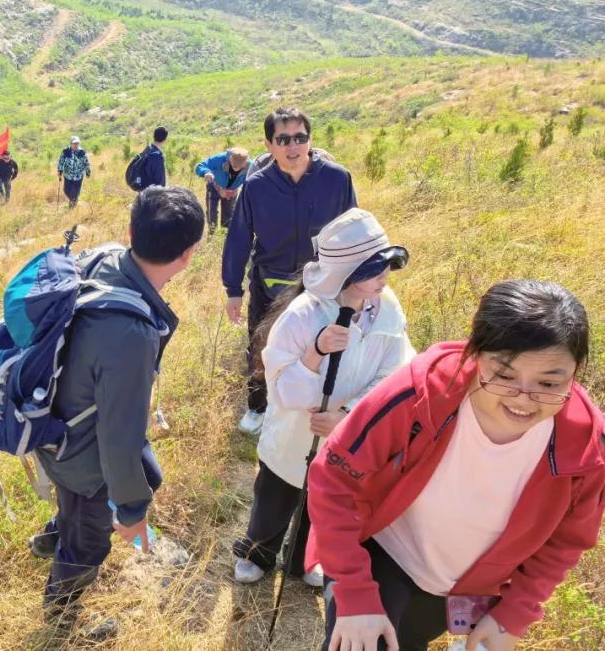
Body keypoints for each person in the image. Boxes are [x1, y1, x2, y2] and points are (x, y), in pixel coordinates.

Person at [309, 279, 605, 651]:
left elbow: (566, 542)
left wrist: (514, 613)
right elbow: (333, 477)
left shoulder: (587, 448)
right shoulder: (420, 394)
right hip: (378, 552)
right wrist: (354, 593)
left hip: (459, 588)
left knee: (410, 641)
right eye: (504, 375)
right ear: (474, 352)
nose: (524, 400)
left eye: (548, 384)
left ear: (575, 373)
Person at [34, 186, 205, 640]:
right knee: (88, 543)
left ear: (131, 231)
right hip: (80, 456)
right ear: (188, 255)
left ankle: (56, 534)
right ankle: (60, 618)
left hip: (57, 420)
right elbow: (119, 440)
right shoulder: (130, 334)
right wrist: (130, 513)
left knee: (148, 476)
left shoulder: (105, 258)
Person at [231, 208, 414, 590]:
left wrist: (347, 415)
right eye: (374, 268)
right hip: (293, 435)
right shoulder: (303, 315)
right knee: (275, 498)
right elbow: (283, 390)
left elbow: (394, 373)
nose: (384, 275)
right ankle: (257, 553)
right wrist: (316, 351)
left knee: (320, 502)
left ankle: (301, 560)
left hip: (346, 436)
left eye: (387, 265)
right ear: (344, 273)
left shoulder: (388, 308)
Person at [222, 107, 356, 436]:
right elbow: (239, 238)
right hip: (270, 285)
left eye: (300, 137)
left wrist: (358, 285)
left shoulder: (337, 179)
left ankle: (312, 406)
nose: (293, 146)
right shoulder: (256, 187)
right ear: (269, 145)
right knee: (263, 347)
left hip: (324, 285)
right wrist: (233, 290)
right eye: (283, 139)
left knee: (321, 345)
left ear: (310, 139)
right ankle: (258, 406)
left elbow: (354, 232)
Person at [195, 146, 250, 231]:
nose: (236, 170)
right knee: (211, 213)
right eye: (234, 166)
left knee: (228, 216)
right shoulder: (219, 159)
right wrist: (206, 172)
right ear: (230, 158)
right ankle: (212, 233)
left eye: (240, 167)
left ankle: (224, 234)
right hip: (214, 187)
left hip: (231, 193)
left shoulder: (250, 165)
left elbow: (255, 179)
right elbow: (200, 166)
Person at [129, 126, 168, 191]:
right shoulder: (156, 156)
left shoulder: (149, 148)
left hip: (144, 189)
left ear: (154, 136)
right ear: (165, 139)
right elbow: (159, 180)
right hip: (152, 192)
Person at [58, 136, 92, 208]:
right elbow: (61, 162)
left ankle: (72, 205)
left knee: (74, 192)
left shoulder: (82, 152)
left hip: (78, 176)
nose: (76, 145)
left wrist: (88, 171)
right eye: (74, 143)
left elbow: (86, 163)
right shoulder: (66, 151)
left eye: (77, 143)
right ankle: (74, 200)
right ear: (70, 144)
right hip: (68, 175)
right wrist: (60, 171)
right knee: (66, 191)